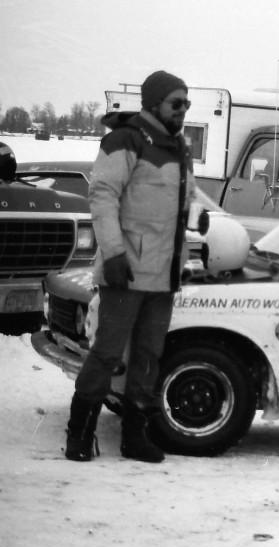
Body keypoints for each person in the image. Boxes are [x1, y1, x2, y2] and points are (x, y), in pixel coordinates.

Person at [64, 70, 200, 463]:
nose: (183, 110)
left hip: (164, 275)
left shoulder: (178, 147)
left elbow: (180, 210)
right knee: (107, 353)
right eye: (177, 103)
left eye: (187, 104)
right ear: (154, 102)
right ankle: (80, 434)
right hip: (126, 271)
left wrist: (187, 258)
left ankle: (135, 438)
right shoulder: (124, 140)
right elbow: (102, 196)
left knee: (148, 356)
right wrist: (115, 254)